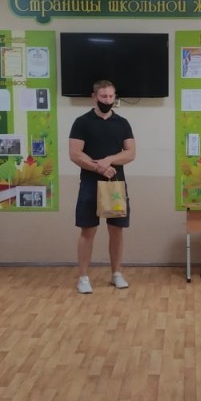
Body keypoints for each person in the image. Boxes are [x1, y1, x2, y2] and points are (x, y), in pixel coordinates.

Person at [68, 80, 136, 294]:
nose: (107, 100)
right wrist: (99, 167)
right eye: (103, 96)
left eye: (111, 96)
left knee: (116, 230)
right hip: (90, 184)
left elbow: (130, 152)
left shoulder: (122, 123)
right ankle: (83, 277)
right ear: (94, 97)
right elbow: (75, 154)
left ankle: (116, 274)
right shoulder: (82, 122)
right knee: (87, 230)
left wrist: (110, 160)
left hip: (116, 184)